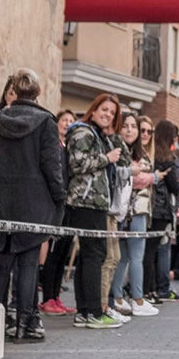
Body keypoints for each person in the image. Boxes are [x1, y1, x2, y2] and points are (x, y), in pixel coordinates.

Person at [0, 69, 64, 341]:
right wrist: (59, 197)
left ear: (13, 91)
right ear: (37, 93)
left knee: (0, 262)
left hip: (2, 199)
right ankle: (26, 322)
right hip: (35, 202)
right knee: (27, 264)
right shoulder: (46, 121)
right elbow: (52, 166)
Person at [65, 94, 127, 329]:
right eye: (104, 109)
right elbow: (77, 163)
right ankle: (92, 312)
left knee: (89, 256)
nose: (108, 115)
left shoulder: (98, 135)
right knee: (94, 255)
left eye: (112, 113)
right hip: (86, 201)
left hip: (94, 201)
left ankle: (84, 311)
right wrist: (106, 158)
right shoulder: (83, 132)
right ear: (93, 109)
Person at [109, 113, 159, 318]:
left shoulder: (140, 151)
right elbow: (135, 177)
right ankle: (135, 298)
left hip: (138, 208)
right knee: (131, 256)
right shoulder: (124, 151)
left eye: (134, 127)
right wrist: (153, 177)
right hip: (130, 209)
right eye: (126, 126)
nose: (131, 130)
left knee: (127, 256)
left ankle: (122, 297)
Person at [39, 109, 79, 314]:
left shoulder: (70, 147)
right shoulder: (52, 145)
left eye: (72, 121)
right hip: (56, 206)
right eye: (64, 120)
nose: (68, 124)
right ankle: (47, 298)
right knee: (53, 255)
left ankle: (56, 296)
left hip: (69, 205)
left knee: (63, 253)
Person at [147, 119, 179, 303]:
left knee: (148, 251)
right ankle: (159, 289)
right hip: (163, 210)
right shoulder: (171, 159)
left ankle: (149, 289)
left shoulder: (151, 155)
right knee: (161, 250)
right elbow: (175, 187)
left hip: (149, 208)